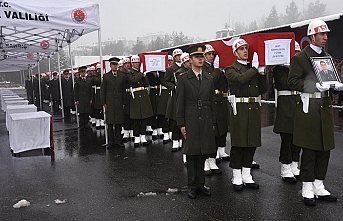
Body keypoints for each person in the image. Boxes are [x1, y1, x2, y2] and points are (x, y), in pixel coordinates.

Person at [288, 20, 343, 206]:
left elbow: (330, 80)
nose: (325, 37)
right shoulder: (301, 58)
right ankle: (307, 186)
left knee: (324, 148)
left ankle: (319, 184)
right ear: (312, 36)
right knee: (310, 149)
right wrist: (313, 86)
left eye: (326, 34)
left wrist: (336, 86)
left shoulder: (327, 57)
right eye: (321, 34)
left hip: (325, 107)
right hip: (309, 107)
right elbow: (292, 82)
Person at [225, 38, 267, 191]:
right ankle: (236, 174)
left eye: (246, 48)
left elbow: (263, 89)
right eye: (241, 49)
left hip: (253, 106)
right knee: (239, 142)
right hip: (240, 108)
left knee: (251, 142)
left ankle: (247, 174)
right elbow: (240, 80)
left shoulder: (253, 68)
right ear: (235, 52)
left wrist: (262, 73)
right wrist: (254, 70)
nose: (245, 51)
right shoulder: (230, 69)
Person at [176, 44, 216, 199]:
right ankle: (192, 185)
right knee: (192, 153)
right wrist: (181, 123)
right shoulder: (184, 79)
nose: (200, 59)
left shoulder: (208, 78)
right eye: (197, 57)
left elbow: (212, 101)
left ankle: (201, 184)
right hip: (191, 117)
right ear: (190, 60)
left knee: (203, 152)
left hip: (205, 117)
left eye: (201, 57)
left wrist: (213, 120)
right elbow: (179, 102)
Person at [272, 41, 302, 183]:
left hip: (299, 103)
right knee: (287, 138)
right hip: (286, 105)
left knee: (298, 137)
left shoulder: (300, 68)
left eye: (297, 52)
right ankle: (285, 167)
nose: (296, 55)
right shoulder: (279, 69)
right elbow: (287, 84)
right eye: (293, 52)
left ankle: (295, 164)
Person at [202, 44, 229, 176]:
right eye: (209, 54)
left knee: (218, 132)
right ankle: (205, 161)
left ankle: (212, 160)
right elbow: (210, 81)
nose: (211, 56)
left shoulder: (215, 68)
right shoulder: (203, 68)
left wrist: (224, 72)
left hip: (219, 102)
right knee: (209, 134)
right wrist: (218, 70)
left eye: (213, 54)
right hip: (208, 102)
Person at [126, 55, 153, 147]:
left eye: (138, 63)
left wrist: (145, 76)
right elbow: (133, 80)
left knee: (144, 118)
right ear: (132, 64)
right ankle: (136, 137)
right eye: (135, 63)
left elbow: (147, 84)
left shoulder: (141, 73)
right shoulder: (129, 73)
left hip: (144, 96)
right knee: (136, 119)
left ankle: (143, 136)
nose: (137, 64)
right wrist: (141, 74)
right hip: (135, 97)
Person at [101, 57, 126, 148]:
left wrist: (124, 101)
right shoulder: (106, 76)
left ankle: (118, 141)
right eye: (113, 65)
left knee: (119, 122)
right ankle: (111, 141)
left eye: (116, 65)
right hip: (110, 101)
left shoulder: (121, 76)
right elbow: (103, 90)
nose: (115, 66)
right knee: (110, 122)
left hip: (119, 101)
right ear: (110, 66)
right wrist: (103, 101)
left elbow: (123, 90)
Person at [163, 49, 183, 152]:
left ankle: (182, 140)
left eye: (180, 55)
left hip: (185, 96)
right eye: (177, 56)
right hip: (175, 96)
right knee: (175, 119)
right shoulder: (171, 69)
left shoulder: (187, 66)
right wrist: (174, 87)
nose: (179, 57)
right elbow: (165, 81)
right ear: (174, 57)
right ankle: (175, 140)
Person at [74, 66, 94, 130]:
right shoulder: (77, 81)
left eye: (84, 72)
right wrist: (76, 99)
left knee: (87, 112)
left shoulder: (89, 80)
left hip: (87, 98)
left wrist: (91, 98)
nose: (83, 73)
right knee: (82, 112)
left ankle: (86, 123)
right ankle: (82, 125)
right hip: (81, 98)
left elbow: (91, 90)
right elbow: (75, 91)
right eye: (82, 72)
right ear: (80, 73)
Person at [92, 63, 104, 128]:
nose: (99, 70)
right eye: (98, 69)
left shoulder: (104, 74)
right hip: (97, 92)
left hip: (102, 91)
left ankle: (102, 120)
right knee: (97, 108)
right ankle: (97, 120)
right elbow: (96, 81)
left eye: (100, 69)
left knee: (102, 108)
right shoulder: (95, 75)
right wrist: (101, 79)